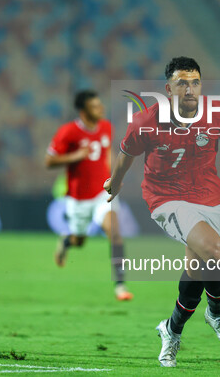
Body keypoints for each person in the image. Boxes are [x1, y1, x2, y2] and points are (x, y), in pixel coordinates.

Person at [104, 57, 220, 367]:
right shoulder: (146, 121)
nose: (189, 89)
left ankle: (171, 330)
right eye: (182, 83)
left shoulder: (219, 116)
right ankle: (218, 313)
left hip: (209, 199)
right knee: (215, 250)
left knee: (199, 269)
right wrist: (115, 183)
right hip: (165, 198)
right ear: (168, 88)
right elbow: (125, 155)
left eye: (195, 82)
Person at [45, 90, 133, 301]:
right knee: (79, 240)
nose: (101, 109)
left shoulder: (106, 128)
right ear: (83, 111)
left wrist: (116, 175)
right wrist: (75, 155)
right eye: (95, 106)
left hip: (102, 193)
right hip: (77, 199)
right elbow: (49, 161)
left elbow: (107, 153)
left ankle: (120, 285)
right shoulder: (68, 132)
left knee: (115, 233)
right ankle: (66, 241)